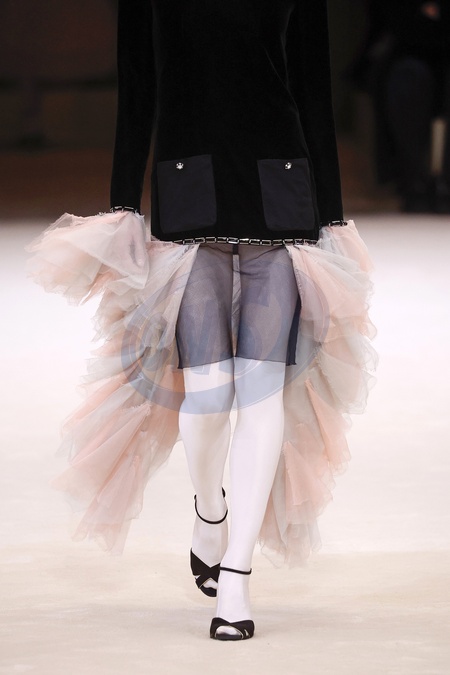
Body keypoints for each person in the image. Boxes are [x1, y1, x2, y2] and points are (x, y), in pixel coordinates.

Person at [27, 0, 375, 641]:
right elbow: (139, 84)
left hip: (280, 191)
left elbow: (312, 88)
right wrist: (123, 206)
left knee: (261, 395)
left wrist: (329, 216)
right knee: (208, 398)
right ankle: (210, 511)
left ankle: (236, 578)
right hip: (190, 192)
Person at [350, 0, 450, 212]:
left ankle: (441, 186)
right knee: (407, 78)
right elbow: (396, 26)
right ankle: (413, 181)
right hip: (410, 59)